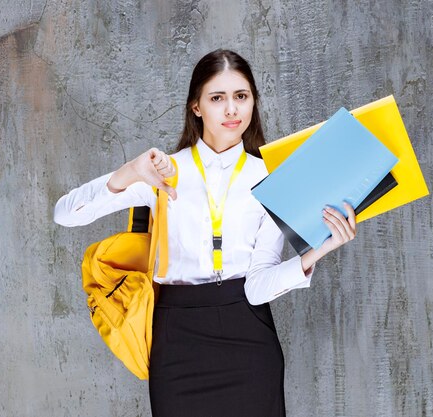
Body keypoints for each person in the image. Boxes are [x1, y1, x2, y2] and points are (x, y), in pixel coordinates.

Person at [53, 49, 356, 417]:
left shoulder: (270, 178)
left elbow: (257, 287)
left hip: (248, 338)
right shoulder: (160, 171)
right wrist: (130, 171)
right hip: (176, 335)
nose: (232, 110)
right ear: (196, 106)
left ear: (253, 103)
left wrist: (317, 252)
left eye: (241, 97)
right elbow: (66, 214)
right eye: (218, 98)